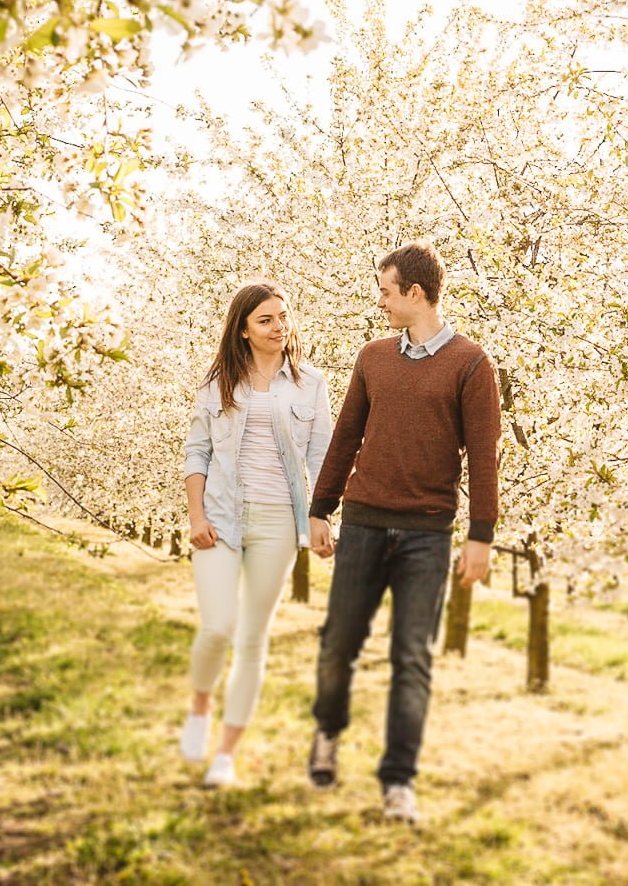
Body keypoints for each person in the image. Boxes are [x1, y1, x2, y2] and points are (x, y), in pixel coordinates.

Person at [306, 241, 501, 824]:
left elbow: (484, 457)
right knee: (338, 644)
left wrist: (481, 535)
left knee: (411, 656)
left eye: (387, 291)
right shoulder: (372, 357)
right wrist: (321, 508)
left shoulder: (471, 363)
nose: (381, 302)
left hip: (427, 534)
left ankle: (398, 782)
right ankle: (328, 733)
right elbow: (345, 437)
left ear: (415, 293)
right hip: (364, 523)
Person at [179, 280, 332, 788]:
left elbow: (321, 457)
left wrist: (321, 516)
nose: (278, 327)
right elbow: (196, 453)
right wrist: (197, 517)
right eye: (265, 320)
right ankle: (201, 702)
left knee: (251, 638)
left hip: (277, 524)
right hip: (221, 519)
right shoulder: (219, 382)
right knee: (218, 627)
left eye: (283, 317)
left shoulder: (310, 383)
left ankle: (225, 754)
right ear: (243, 329)